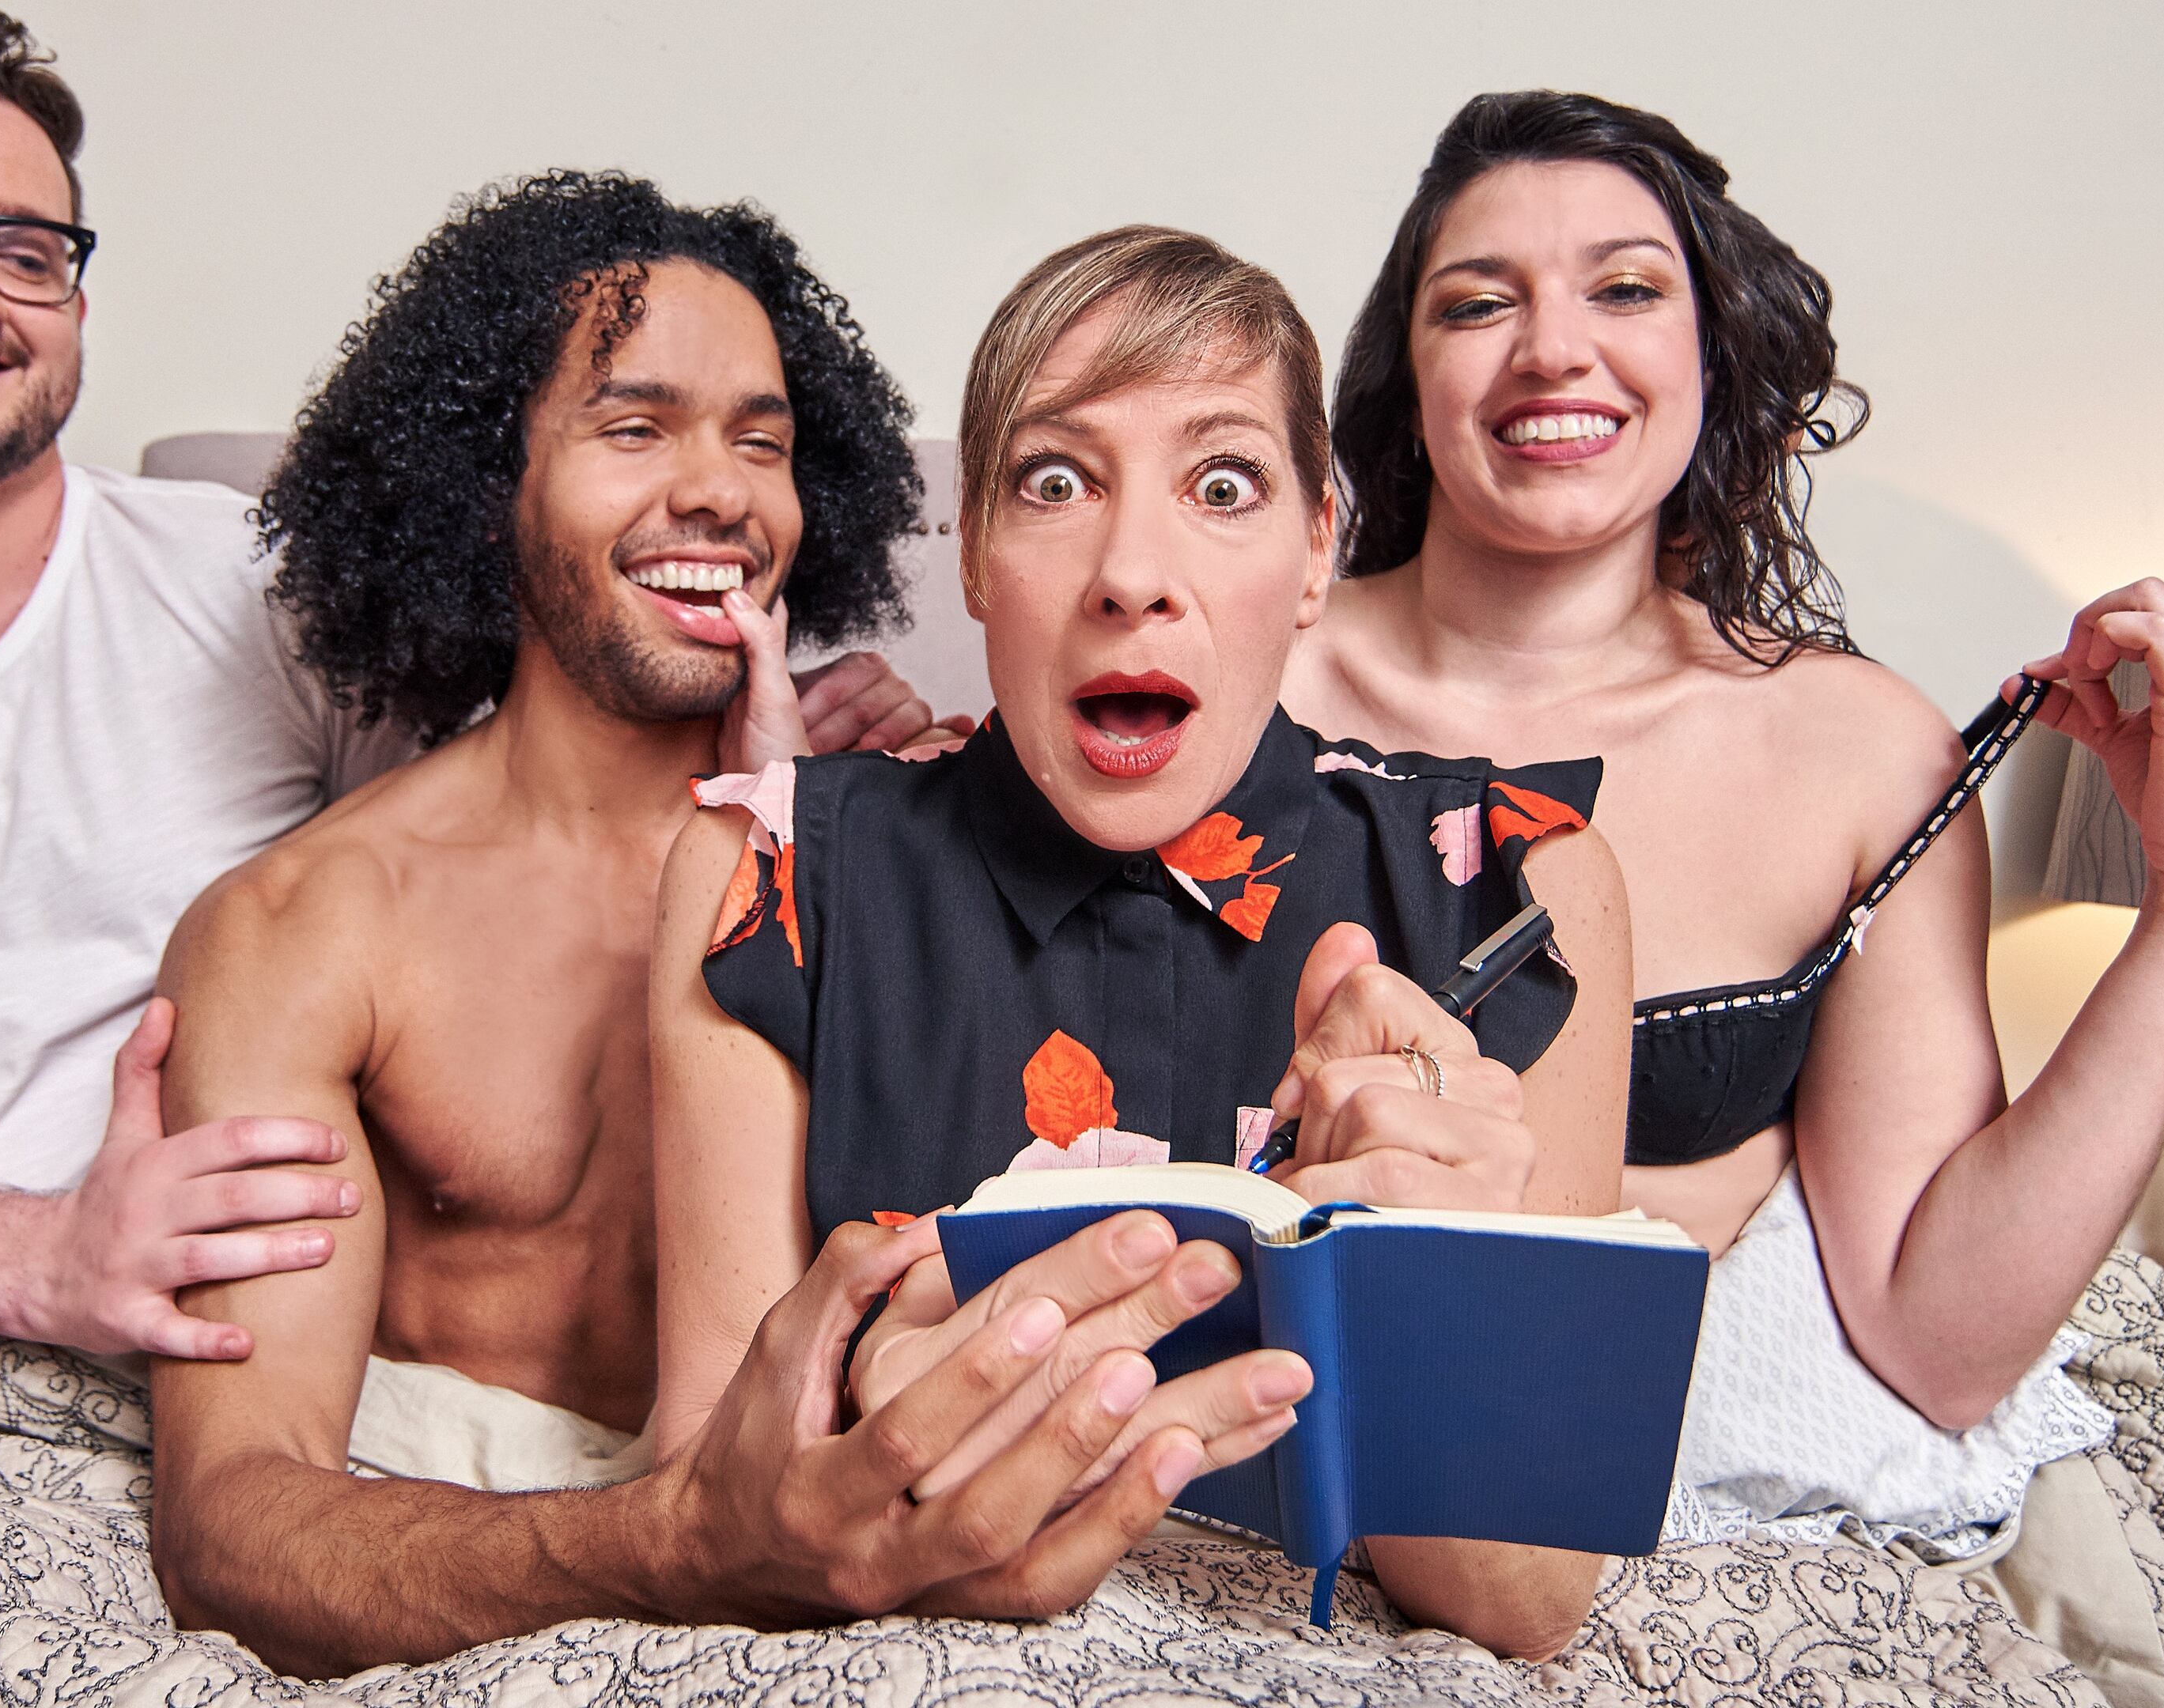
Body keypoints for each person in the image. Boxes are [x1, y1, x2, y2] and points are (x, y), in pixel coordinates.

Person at [0, 9, 937, 1364]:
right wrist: (45, 1258)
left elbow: (520, 833)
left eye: (25, 250)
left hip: (237, 1335)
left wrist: (777, 763)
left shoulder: (262, 584)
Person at [146, 175, 1310, 1678]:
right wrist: (677, 1545)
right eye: (634, 429)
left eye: (761, 441)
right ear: (474, 476)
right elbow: (235, 1517)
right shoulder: (302, 926)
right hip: (473, 1548)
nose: (719, 493)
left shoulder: (894, 854)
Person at [1283, 90, 2164, 1556]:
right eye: (1479, 303)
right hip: (1262, 1470)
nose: (1555, 348)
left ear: (1710, 356)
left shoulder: (1863, 751)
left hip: (1645, 1527)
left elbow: (1937, 1342)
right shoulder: (1234, 678)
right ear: (1408, 382)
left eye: (1626, 288)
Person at [645, 226, 1636, 1662]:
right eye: (1055, 483)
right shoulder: (771, 873)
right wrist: (894, 1411)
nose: (1132, 575)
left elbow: (1529, 1606)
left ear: (1314, 555)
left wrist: (1428, 1282)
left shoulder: (1522, 887)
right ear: (976, 555)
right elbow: (701, 1506)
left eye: (1222, 487)